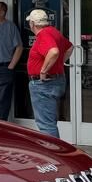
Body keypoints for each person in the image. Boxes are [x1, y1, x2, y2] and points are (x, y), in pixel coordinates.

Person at [25, 8, 72, 138]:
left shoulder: (44, 35)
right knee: (49, 121)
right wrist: (59, 63)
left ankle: (52, 154)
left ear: (32, 24)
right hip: (54, 81)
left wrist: (44, 71)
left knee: (46, 124)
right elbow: (69, 47)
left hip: (44, 84)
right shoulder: (53, 32)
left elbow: (54, 52)